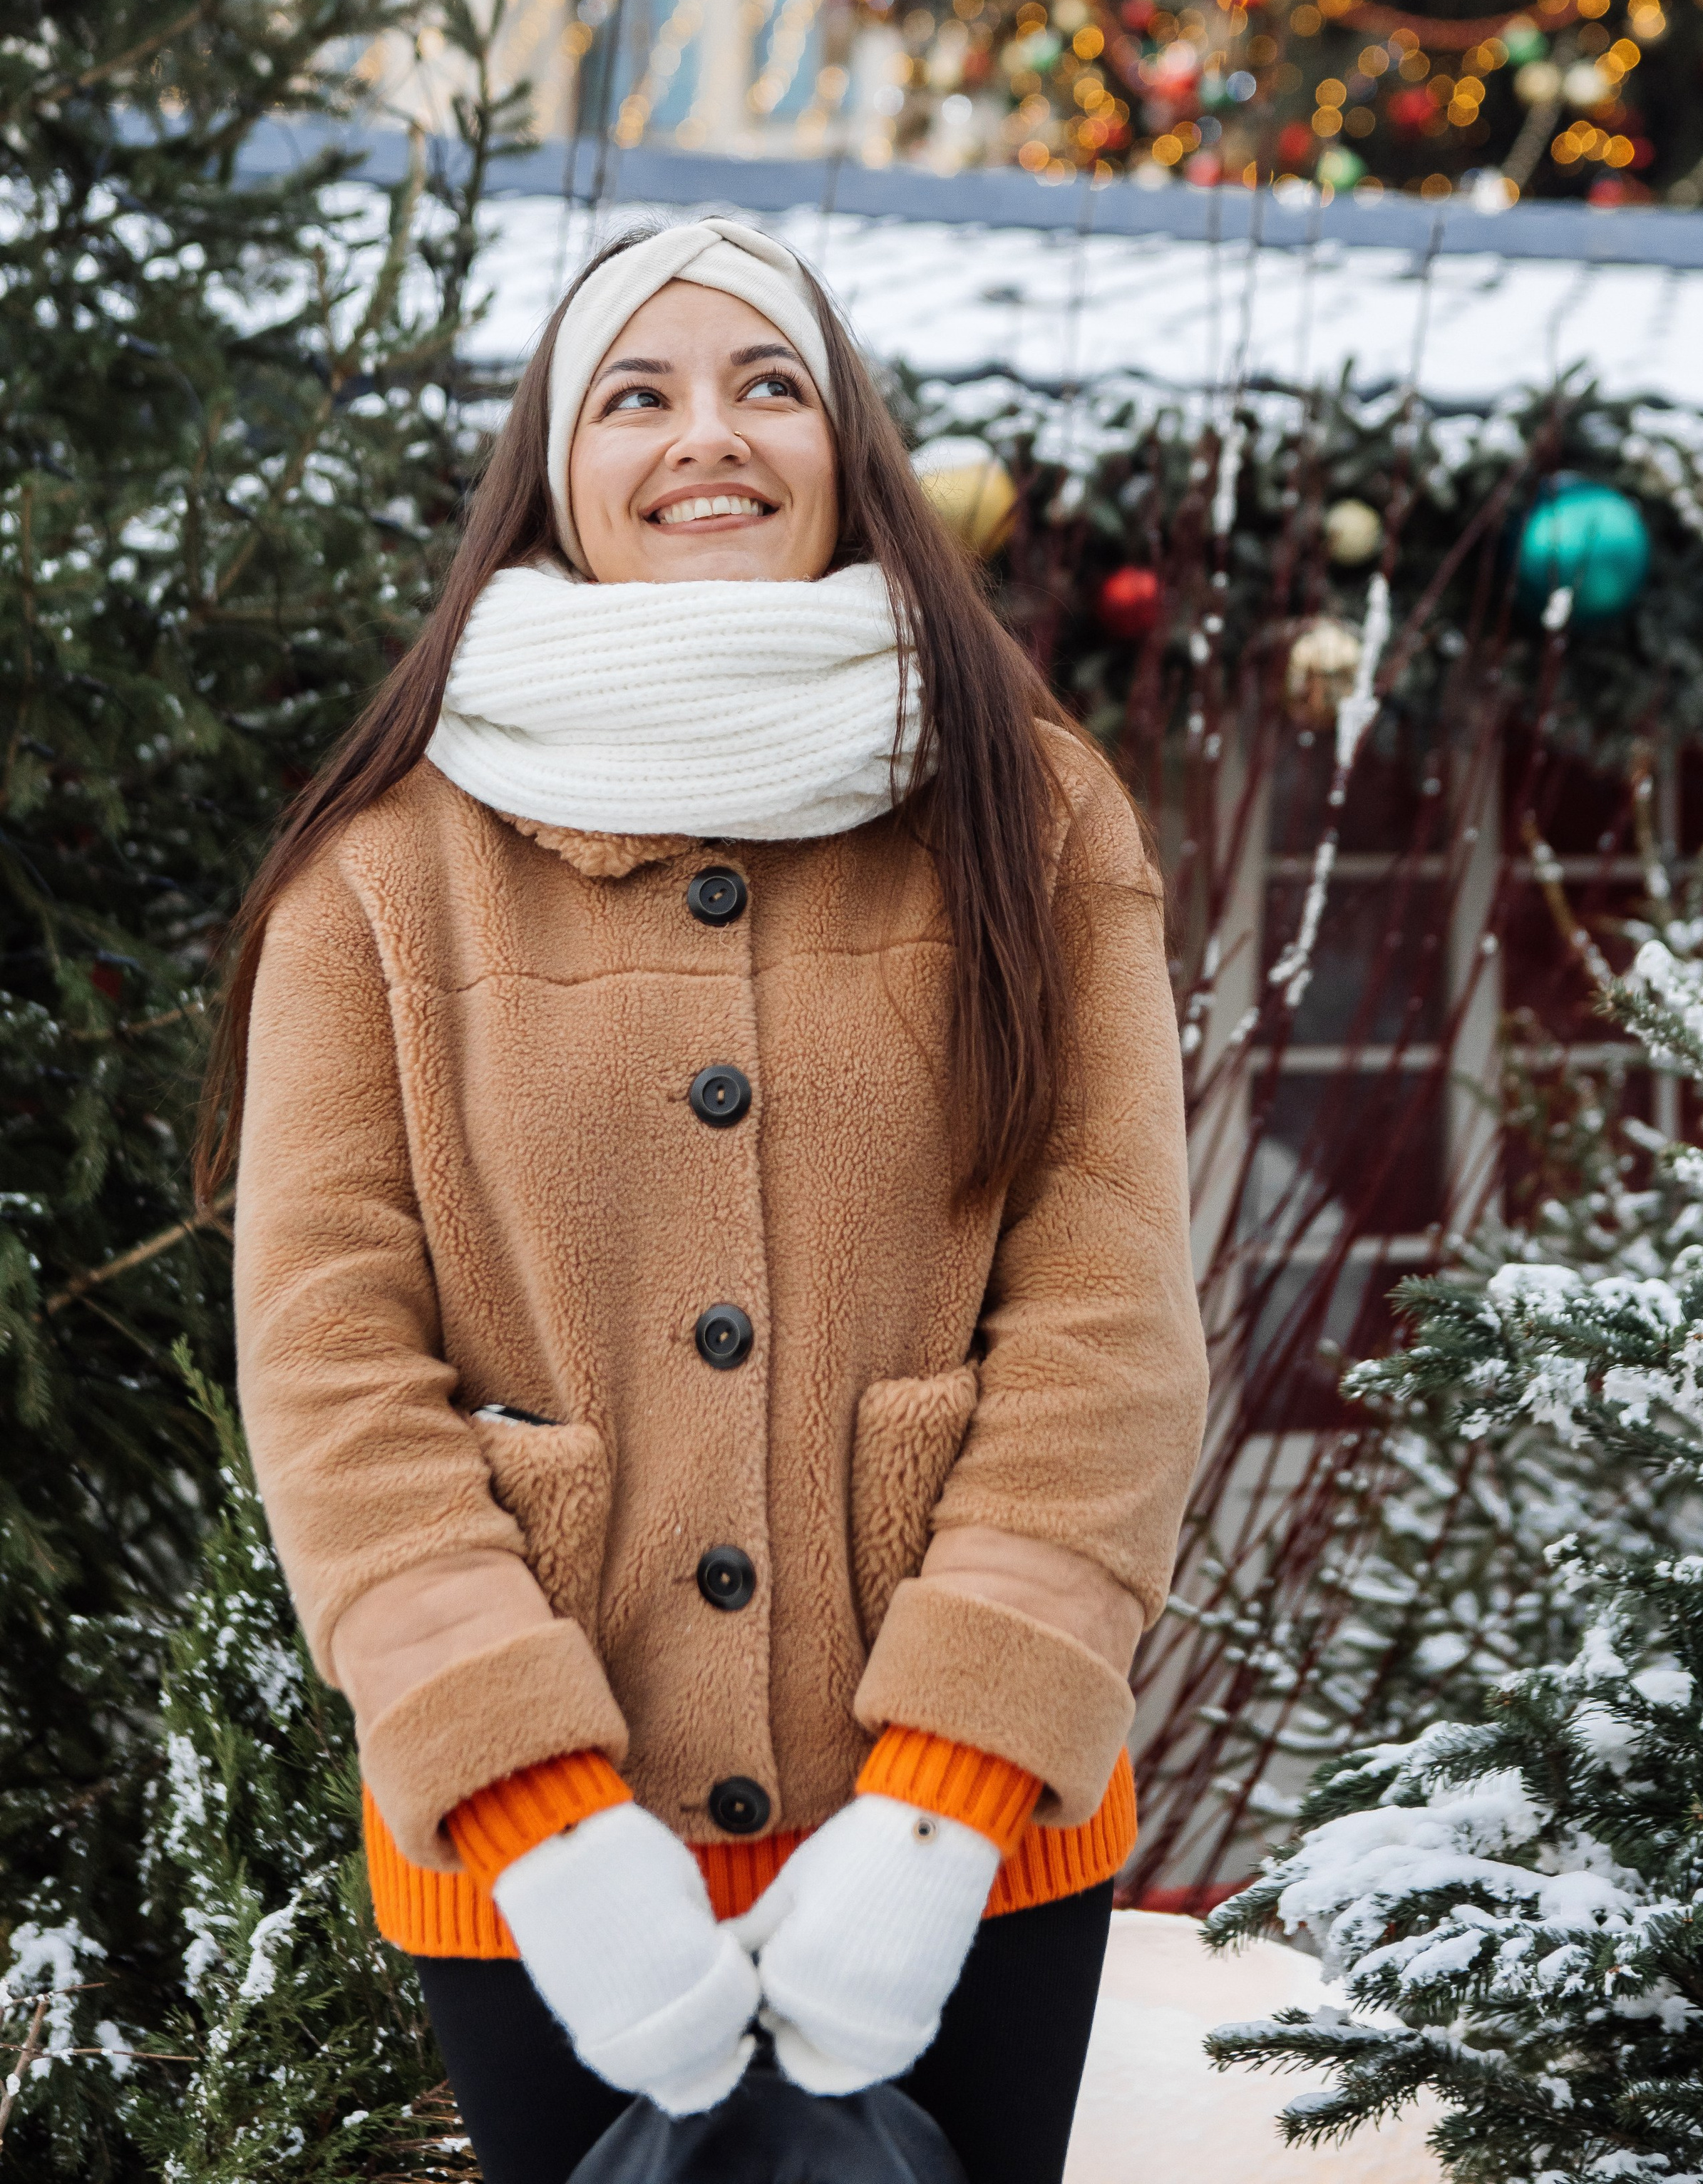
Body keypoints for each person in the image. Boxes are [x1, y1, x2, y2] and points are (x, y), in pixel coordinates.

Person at [204, 217, 1208, 2184]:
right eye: (637, 394)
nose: (709, 436)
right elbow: (334, 1375)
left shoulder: (1034, 812)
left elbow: (1106, 1318)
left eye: (770, 385)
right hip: (545, 1878)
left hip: (977, 1850)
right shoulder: (384, 878)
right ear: (556, 472)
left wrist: (938, 1805)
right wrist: (545, 1826)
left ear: (847, 450)